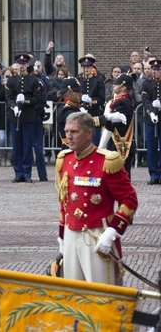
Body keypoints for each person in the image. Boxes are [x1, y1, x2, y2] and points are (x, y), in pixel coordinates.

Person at [56, 112, 138, 284]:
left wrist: (112, 232)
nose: (68, 137)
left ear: (89, 133)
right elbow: (64, 202)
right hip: (71, 233)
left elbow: (129, 200)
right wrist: (62, 237)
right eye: (67, 131)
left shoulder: (107, 161)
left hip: (97, 234)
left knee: (100, 291)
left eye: (74, 132)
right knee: (73, 291)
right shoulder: (65, 160)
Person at [6, 53, 44, 183]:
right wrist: (14, 107)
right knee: (16, 146)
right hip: (15, 116)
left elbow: (37, 98)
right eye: (19, 64)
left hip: (28, 116)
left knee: (27, 146)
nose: (21, 66)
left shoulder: (33, 80)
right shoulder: (12, 80)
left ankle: (27, 172)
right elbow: (8, 97)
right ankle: (18, 173)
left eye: (24, 64)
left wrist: (26, 101)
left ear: (27, 64)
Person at [98, 74, 136, 176]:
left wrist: (96, 120)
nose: (113, 85)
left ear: (123, 87)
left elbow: (111, 124)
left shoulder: (123, 102)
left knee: (120, 176)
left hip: (120, 144)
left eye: (116, 84)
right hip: (115, 143)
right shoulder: (118, 101)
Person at [141, 58, 161, 184]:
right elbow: (145, 101)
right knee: (151, 148)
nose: (156, 72)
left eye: (158, 70)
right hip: (151, 120)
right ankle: (154, 174)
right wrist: (151, 112)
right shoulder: (146, 84)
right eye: (154, 70)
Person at [77, 55, 105, 144]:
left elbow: (101, 99)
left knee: (94, 141)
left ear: (92, 67)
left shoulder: (98, 80)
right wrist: (80, 106)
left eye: (88, 67)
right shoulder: (78, 79)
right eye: (84, 67)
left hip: (94, 113)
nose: (86, 69)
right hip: (81, 113)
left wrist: (91, 101)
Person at [56, 77, 83, 148]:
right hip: (70, 147)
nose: (80, 94)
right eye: (78, 92)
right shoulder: (66, 110)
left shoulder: (73, 107)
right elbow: (83, 122)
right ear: (69, 92)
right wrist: (104, 119)